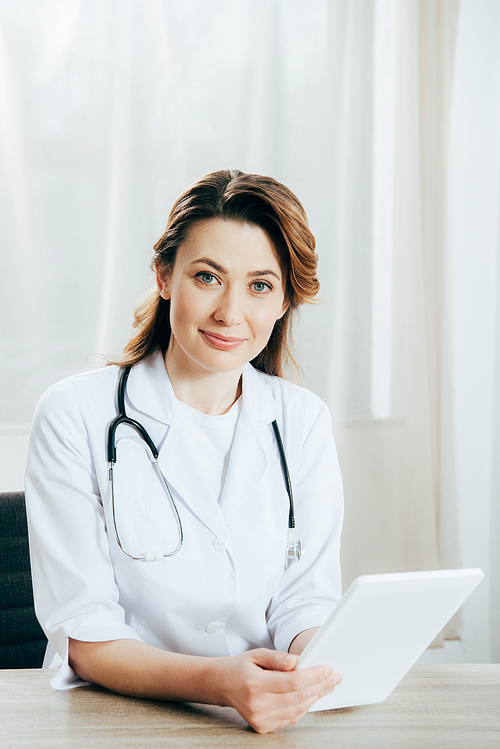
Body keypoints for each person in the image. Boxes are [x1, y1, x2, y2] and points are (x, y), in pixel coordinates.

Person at [25, 169, 344, 734]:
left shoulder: (303, 422)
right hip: (114, 721)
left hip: (260, 723)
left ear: (285, 300)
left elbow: (304, 604)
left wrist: (318, 667)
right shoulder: (76, 413)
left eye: (260, 285)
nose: (230, 312)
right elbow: (85, 631)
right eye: (207, 277)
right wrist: (220, 680)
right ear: (164, 276)